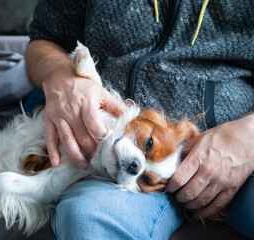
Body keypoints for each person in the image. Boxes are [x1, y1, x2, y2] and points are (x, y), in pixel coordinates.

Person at [25, 0, 254, 239]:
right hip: (113, 169)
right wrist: (60, 77)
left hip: (244, 158)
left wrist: (249, 137)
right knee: (86, 217)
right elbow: (42, 39)